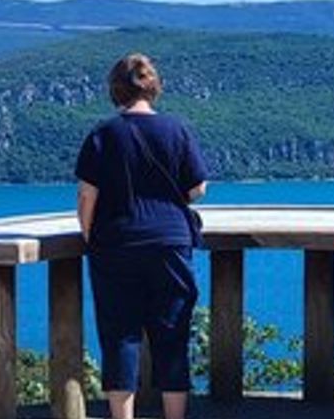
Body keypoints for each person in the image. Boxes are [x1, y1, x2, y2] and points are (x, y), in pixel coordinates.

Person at [75, 52, 211, 419]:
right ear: (153, 86)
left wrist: (89, 235)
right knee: (173, 335)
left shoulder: (102, 135)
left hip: (115, 244)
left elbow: (88, 196)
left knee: (120, 337)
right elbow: (198, 186)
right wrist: (170, 200)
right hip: (170, 242)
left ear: (115, 90)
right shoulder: (176, 130)